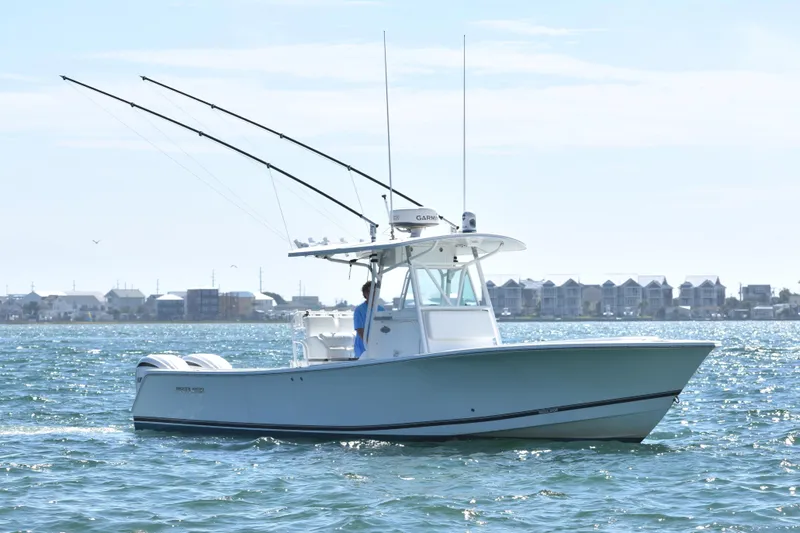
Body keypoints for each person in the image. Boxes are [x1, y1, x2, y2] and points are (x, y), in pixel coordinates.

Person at [353, 281, 384, 359]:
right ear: (365, 294)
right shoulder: (359, 310)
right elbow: (360, 329)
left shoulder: (382, 309)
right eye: (371, 291)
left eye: (375, 291)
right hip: (363, 348)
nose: (374, 294)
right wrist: (369, 344)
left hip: (379, 346)